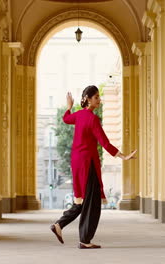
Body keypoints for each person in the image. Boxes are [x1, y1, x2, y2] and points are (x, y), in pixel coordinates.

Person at [50, 85, 137, 249]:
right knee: (93, 202)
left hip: (76, 161)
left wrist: (69, 107)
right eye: (96, 97)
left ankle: (59, 225)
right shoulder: (92, 119)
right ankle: (84, 240)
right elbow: (105, 143)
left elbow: (66, 119)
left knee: (83, 201)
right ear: (88, 99)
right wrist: (123, 156)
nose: (99, 100)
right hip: (87, 163)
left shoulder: (78, 115)